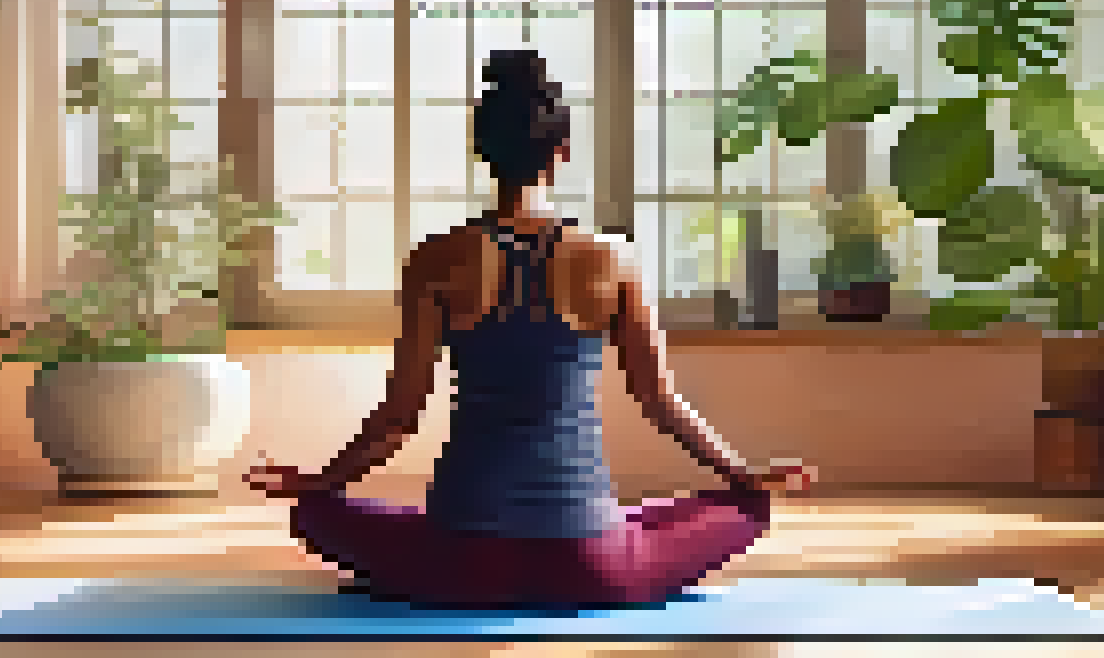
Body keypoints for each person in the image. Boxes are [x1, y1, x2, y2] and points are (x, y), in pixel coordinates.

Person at [243, 49, 815, 608]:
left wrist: (317, 483)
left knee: (315, 513)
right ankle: (613, 533)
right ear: (560, 152)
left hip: (461, 564)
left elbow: (398, 420)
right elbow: (660, 403)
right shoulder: (611, 258)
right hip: (593, 568)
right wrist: (744, 473)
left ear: (481, 149)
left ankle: (427, 567)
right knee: (745, 508)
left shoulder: (437, 258)